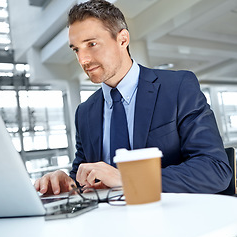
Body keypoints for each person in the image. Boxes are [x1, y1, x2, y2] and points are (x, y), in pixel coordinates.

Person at [34, 0, 232, 195]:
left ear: (123, 39)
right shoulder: (85, 112)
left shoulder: (178, 87)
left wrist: (128, 180)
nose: (82, 59)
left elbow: (215, 169)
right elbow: (84, 176)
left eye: (92, 44)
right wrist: (67, 183)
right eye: (76, 49)